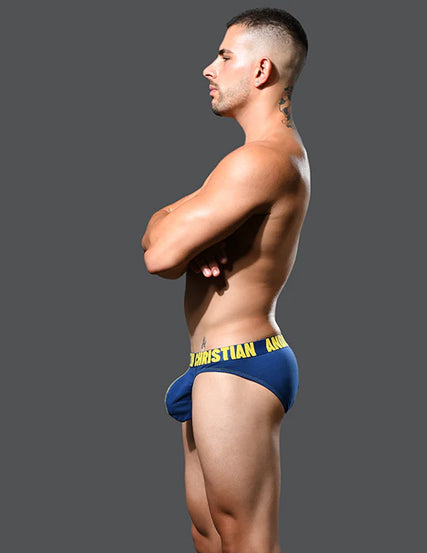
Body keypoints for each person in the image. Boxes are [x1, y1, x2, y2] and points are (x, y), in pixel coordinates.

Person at [141, 8, 310, 553]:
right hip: (213, 367)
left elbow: (160, 254)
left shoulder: (259, 162)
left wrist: (180, 239)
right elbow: (157, 230)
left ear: (261, 70)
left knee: (245, 541)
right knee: (210, 535)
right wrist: (181, 236)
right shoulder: (247, 160)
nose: (208, 68)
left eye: (224, 55)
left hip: (239, 369)